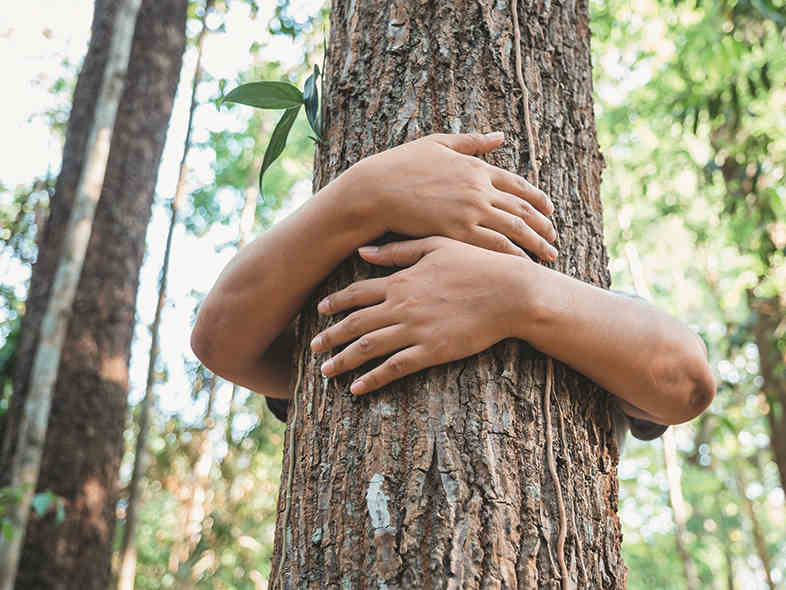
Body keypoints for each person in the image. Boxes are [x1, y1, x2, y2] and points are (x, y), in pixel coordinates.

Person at [190, 132, 716, 442]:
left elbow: (685, 382)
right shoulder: (313, 292)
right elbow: (218, 339)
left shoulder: (601, 321)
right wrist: (368, 194)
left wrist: (513, 294)